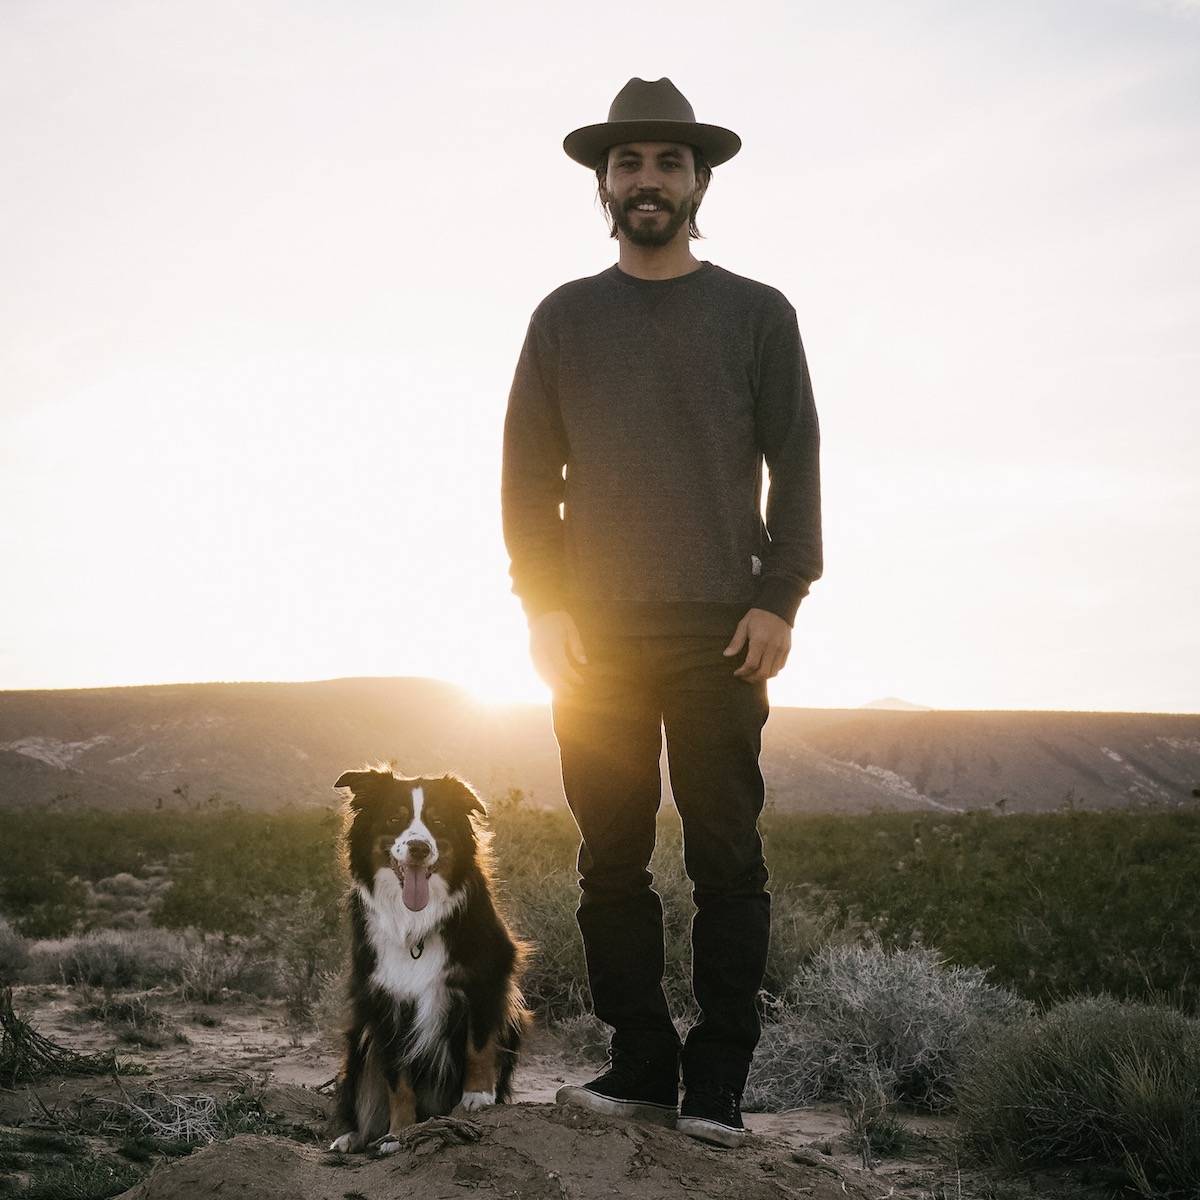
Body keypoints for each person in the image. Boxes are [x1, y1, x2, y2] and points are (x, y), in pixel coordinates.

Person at [500, 77, 822, 1149]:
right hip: (591, 637)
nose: (648, 180)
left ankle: (718, 1083)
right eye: (630, 163)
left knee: (728, 857)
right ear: (605, 182)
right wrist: (542, 609)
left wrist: (781, 594)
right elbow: (524, 479)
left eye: (669, 163)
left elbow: (799, 463)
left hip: (722, 630)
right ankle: (640, 1060)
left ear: (700, 181)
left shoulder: (758, 312)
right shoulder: (564, 318)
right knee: (610, 859)